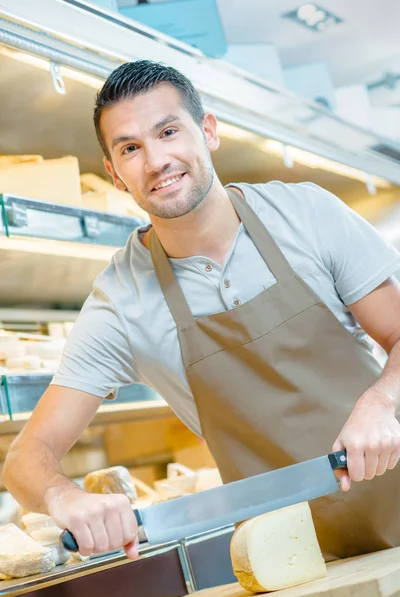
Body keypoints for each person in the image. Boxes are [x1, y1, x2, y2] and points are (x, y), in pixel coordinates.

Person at [4, 60, 400, 562]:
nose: (155, 161)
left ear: (207, 130)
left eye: (168, 131)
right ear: (114, 171)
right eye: (130, 148)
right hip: (295, 565)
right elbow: (24, 459)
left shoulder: (306, 214)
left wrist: (381, 402)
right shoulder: (122, 302)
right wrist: (67, 497)